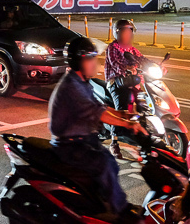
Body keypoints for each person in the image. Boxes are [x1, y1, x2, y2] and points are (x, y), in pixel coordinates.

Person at [49, 36, 148, 223]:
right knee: (104, 164)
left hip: (83, 140)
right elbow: (98, 113)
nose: (96, 63)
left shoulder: (82, 82)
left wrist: (125, 115)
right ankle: (121, 212)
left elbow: (101, 106)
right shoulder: (72, 86)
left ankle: (101, 203)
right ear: (79, 61)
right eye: (91, 58)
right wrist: (128, 124)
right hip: (69, 145)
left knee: (110, 162)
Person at [105, 19, 151, 158]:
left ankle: (144, 135)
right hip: (116, 82)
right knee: (121, 107)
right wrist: (128, 68)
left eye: (129, 31)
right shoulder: (112, 48)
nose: (127, 34)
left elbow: (142, 58)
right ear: (117, 33)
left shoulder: (131, 49)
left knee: (144, 105)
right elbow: (116, 64)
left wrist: (156, 66)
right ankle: (114, 142)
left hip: (132, 81)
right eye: (124, 31)